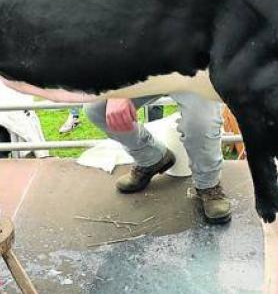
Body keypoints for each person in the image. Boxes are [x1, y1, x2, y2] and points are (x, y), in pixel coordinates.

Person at [86, 94, 231, 224]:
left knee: (201, 122)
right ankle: (151, 158)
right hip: (149, 68)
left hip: (194, 72)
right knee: (97, 108)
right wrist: (118, 92)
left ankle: (208, 185)